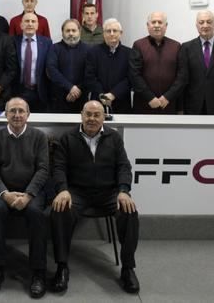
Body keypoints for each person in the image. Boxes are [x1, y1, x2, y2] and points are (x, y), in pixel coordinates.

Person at [50, 101, 140, 294]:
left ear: (103, 117)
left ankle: (128, 269)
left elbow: (124, 167)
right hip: (77, 192)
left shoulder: (114, 137)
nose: (91, 119)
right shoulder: (67, 138)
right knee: (59, 210)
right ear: (81, 115)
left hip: (109, 192)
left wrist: (123, 190)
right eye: (88, 114)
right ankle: (62, 267)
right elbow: (58, 168)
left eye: (96, 115)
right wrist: (62, 189)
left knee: (129, 211)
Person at [0, 98, 49, 298]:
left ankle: (38, 272)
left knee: (36, 213)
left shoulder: (39, 137)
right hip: (4, 192)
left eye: (21, 111)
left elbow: (43, 169)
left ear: (28, 114)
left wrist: (29, 195)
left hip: (32, 192)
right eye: (12, 111)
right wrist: (5, 194)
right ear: (5, 114)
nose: (17, 115)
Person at [178, 10, 214, 115]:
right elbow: (182, 80)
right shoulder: (186, 47)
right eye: (201, 22)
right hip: (192, 107)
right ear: (196, 25)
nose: (205, 25)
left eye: (209, 22)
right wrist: (180, 108)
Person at [129, 12, 183, 114]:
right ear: (148, 25)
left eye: (160, 22)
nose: (157, 25)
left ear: (166, 26)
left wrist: (167, 97)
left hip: (169, 104)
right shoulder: (138, 45)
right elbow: (134, 75)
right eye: (153, 22)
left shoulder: (176, 46)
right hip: (144, 104)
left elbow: (181, 76)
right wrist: (150, 98)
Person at [85, 18, 132, 113]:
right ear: (103, 33)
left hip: (121, 102)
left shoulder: (129, 53)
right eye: (108, 31)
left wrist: (113, 94)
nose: (111, 34)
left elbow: (130, 78)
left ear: (121, 33)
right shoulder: (93, 52)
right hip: (98, 103)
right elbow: (90, 77)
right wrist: (103, 95)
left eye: (115, 31)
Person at [46, 19, 90, 113]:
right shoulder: (54, 48)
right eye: (67, 30)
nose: (71, 33)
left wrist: (77, 90)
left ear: (79, 31)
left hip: (82, 99)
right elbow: (51, 70)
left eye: (74, 30)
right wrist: (70, 87)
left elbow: (90, 73)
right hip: (59, 99)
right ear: (62, 32)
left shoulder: (89, 50)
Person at [12, 12, 52, 113]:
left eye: (33, 21)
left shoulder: (47, 42)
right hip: (18, 90)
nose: (30, 24)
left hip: (39, 91)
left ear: (37, 25)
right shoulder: (12, 41)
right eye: (27, 21)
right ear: (21, 25)